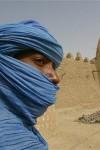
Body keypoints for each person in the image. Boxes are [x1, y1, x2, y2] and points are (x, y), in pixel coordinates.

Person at [0, 20, 63, 150]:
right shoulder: (11, 139)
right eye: (40, 61)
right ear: (6, 63)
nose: (56, 78)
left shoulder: (21, 124)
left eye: (54, 67)